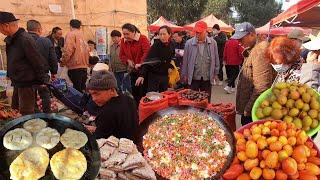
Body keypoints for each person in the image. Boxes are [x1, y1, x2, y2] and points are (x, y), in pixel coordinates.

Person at [0, 11, 48, 115]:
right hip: (18, 81)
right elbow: (12, 59)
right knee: (18, 109)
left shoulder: (24, 39)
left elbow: (37, 60)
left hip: (27, 82)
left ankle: (32, 128)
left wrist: (43, 80)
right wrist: (9, 74)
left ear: (5, 26)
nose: (0, 31)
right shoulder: (11, 39)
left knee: (27, 112)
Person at [234, 22, 276, 126]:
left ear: (252, 35)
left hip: (255, 110)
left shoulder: (260, 51)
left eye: (241, 38)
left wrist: (248, 109)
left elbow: (262, 86)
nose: (239, 42)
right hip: (252, 107)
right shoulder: (253, 49)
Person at [86, 70, 139, 142]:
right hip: (134, 140)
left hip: (122, 148)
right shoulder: (128, 99)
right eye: (91, 94)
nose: (93, 99)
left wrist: (96, 132)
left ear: (111, 90)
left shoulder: (107, 112)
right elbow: (120, 127)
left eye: (97, 93)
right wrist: (98, 129)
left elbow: (98, 139)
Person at [181, 21, 220, 101]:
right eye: (196, 32)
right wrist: (184, 75)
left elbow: (216, 58)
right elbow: (185, 61)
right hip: (193, 77)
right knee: (192, 100)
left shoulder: (213, 43)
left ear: (205, 31)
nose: (197, 34)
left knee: (206, 100)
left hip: (207, 77)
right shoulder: (189, 43)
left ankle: (205, 113)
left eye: (200, 32)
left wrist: (216, 73)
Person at [27, 20, 58, 113]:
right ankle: (47, 114)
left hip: (27, 75)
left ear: (27, 29)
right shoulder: (45, 41)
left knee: (30, 96)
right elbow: (53, 58)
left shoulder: (22, 40)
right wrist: (53, 72)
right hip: (42, 74)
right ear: (39, 29)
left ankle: (35, 114)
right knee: (45, 95)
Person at [135, 25, 175, 92]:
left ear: (169, 34)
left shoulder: (171, 44)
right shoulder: (156, 45)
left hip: (164, 75)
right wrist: (141, 75)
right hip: (154, 75)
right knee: (152, 95)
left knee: (164, 94)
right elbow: (148, 61)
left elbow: (170, 58)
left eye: (164, 34)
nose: (162, 36)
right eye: (160, 34)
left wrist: (169, 67)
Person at [119, 23, 150, 103]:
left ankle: (144, 109)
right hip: (133, 71)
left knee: (143, 92)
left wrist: (140, 63)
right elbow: (121, 55)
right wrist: (128, 61)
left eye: (127, 34)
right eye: (124, 34)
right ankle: (136, 110)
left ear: (134, 32)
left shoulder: (143, 38)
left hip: (143, 70)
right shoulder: (123, 41)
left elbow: (147, 53)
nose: (125, 36)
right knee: (135, 91)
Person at [61, 19, 90, 92]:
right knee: (82, 90)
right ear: (80, 27)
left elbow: (68, 50)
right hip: (84, 67)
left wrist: (63, 62)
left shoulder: (71, 34)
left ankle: (77, 103)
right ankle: (83, 103)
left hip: (75, 67)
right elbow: (88, 50)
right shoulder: (83, 36)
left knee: (76, 91)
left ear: (70, 26)